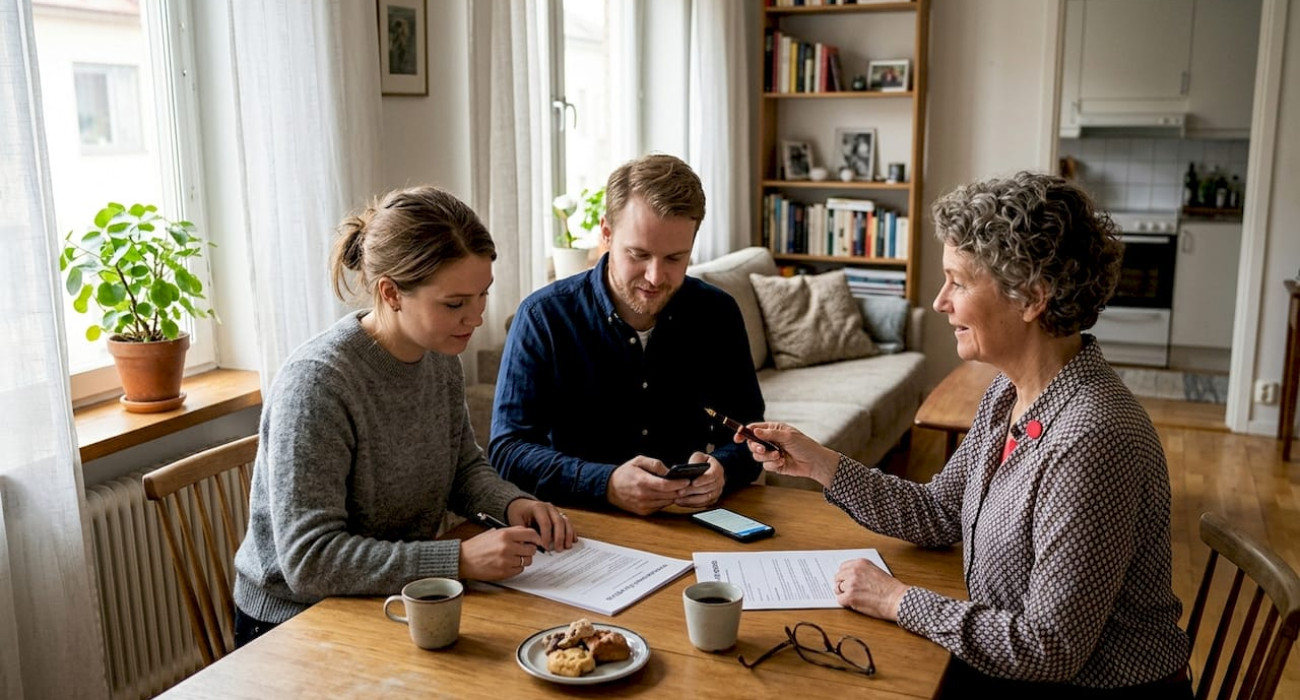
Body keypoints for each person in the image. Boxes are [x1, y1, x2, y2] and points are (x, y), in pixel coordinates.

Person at [735, 172, 1192, 697]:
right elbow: (939, 513)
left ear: (1031, 298)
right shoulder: (1008, 394)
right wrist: (817, 462)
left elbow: (1048, 649)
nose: (939, 302)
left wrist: (896, 601)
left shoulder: (1091, 437)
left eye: (959, 281)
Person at [232, 186, 576, 646]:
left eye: (482, 295)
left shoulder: (438, 357)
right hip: (296, 622)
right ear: (391, 293)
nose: (474, 317)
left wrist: (511, 504)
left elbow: (463, 469)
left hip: (396, 597)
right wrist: (458, 560)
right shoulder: (318, 385)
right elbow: (310, 562)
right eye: (454, 303)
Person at [490, 154, 764, 515]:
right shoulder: (543, 318)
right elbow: (508, 450)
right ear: (606, 233)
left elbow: (751, 436)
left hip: (688, 522)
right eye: (639, 254)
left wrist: (722, 470)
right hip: (583, 525)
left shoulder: (717, 313)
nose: (655, 277)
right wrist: (605, 483)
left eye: (674, 258)